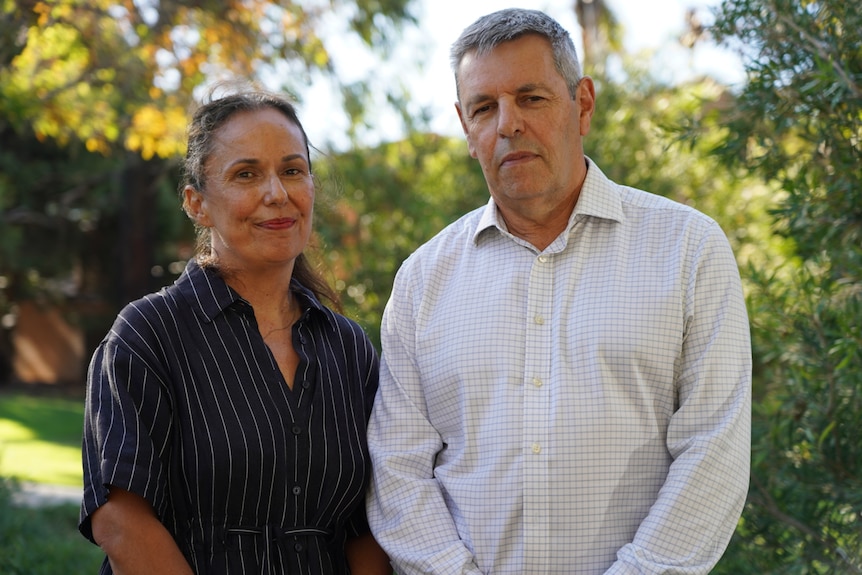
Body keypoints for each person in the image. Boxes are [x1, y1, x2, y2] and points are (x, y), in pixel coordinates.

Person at [366, 8, 751, 575]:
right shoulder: (422, 282)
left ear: (583, 105)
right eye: (483, 108)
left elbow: (713, 452)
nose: (508, 124)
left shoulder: (688, 250)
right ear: (466, 129)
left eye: (532, 98)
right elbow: (397, 470)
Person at [79, 89, 390, 575]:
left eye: (292, 170)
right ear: (197, 203)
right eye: (246, 174)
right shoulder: (147, 337)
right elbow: (119, 520)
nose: (277, 193)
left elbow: (368, 523)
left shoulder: (349, 348)